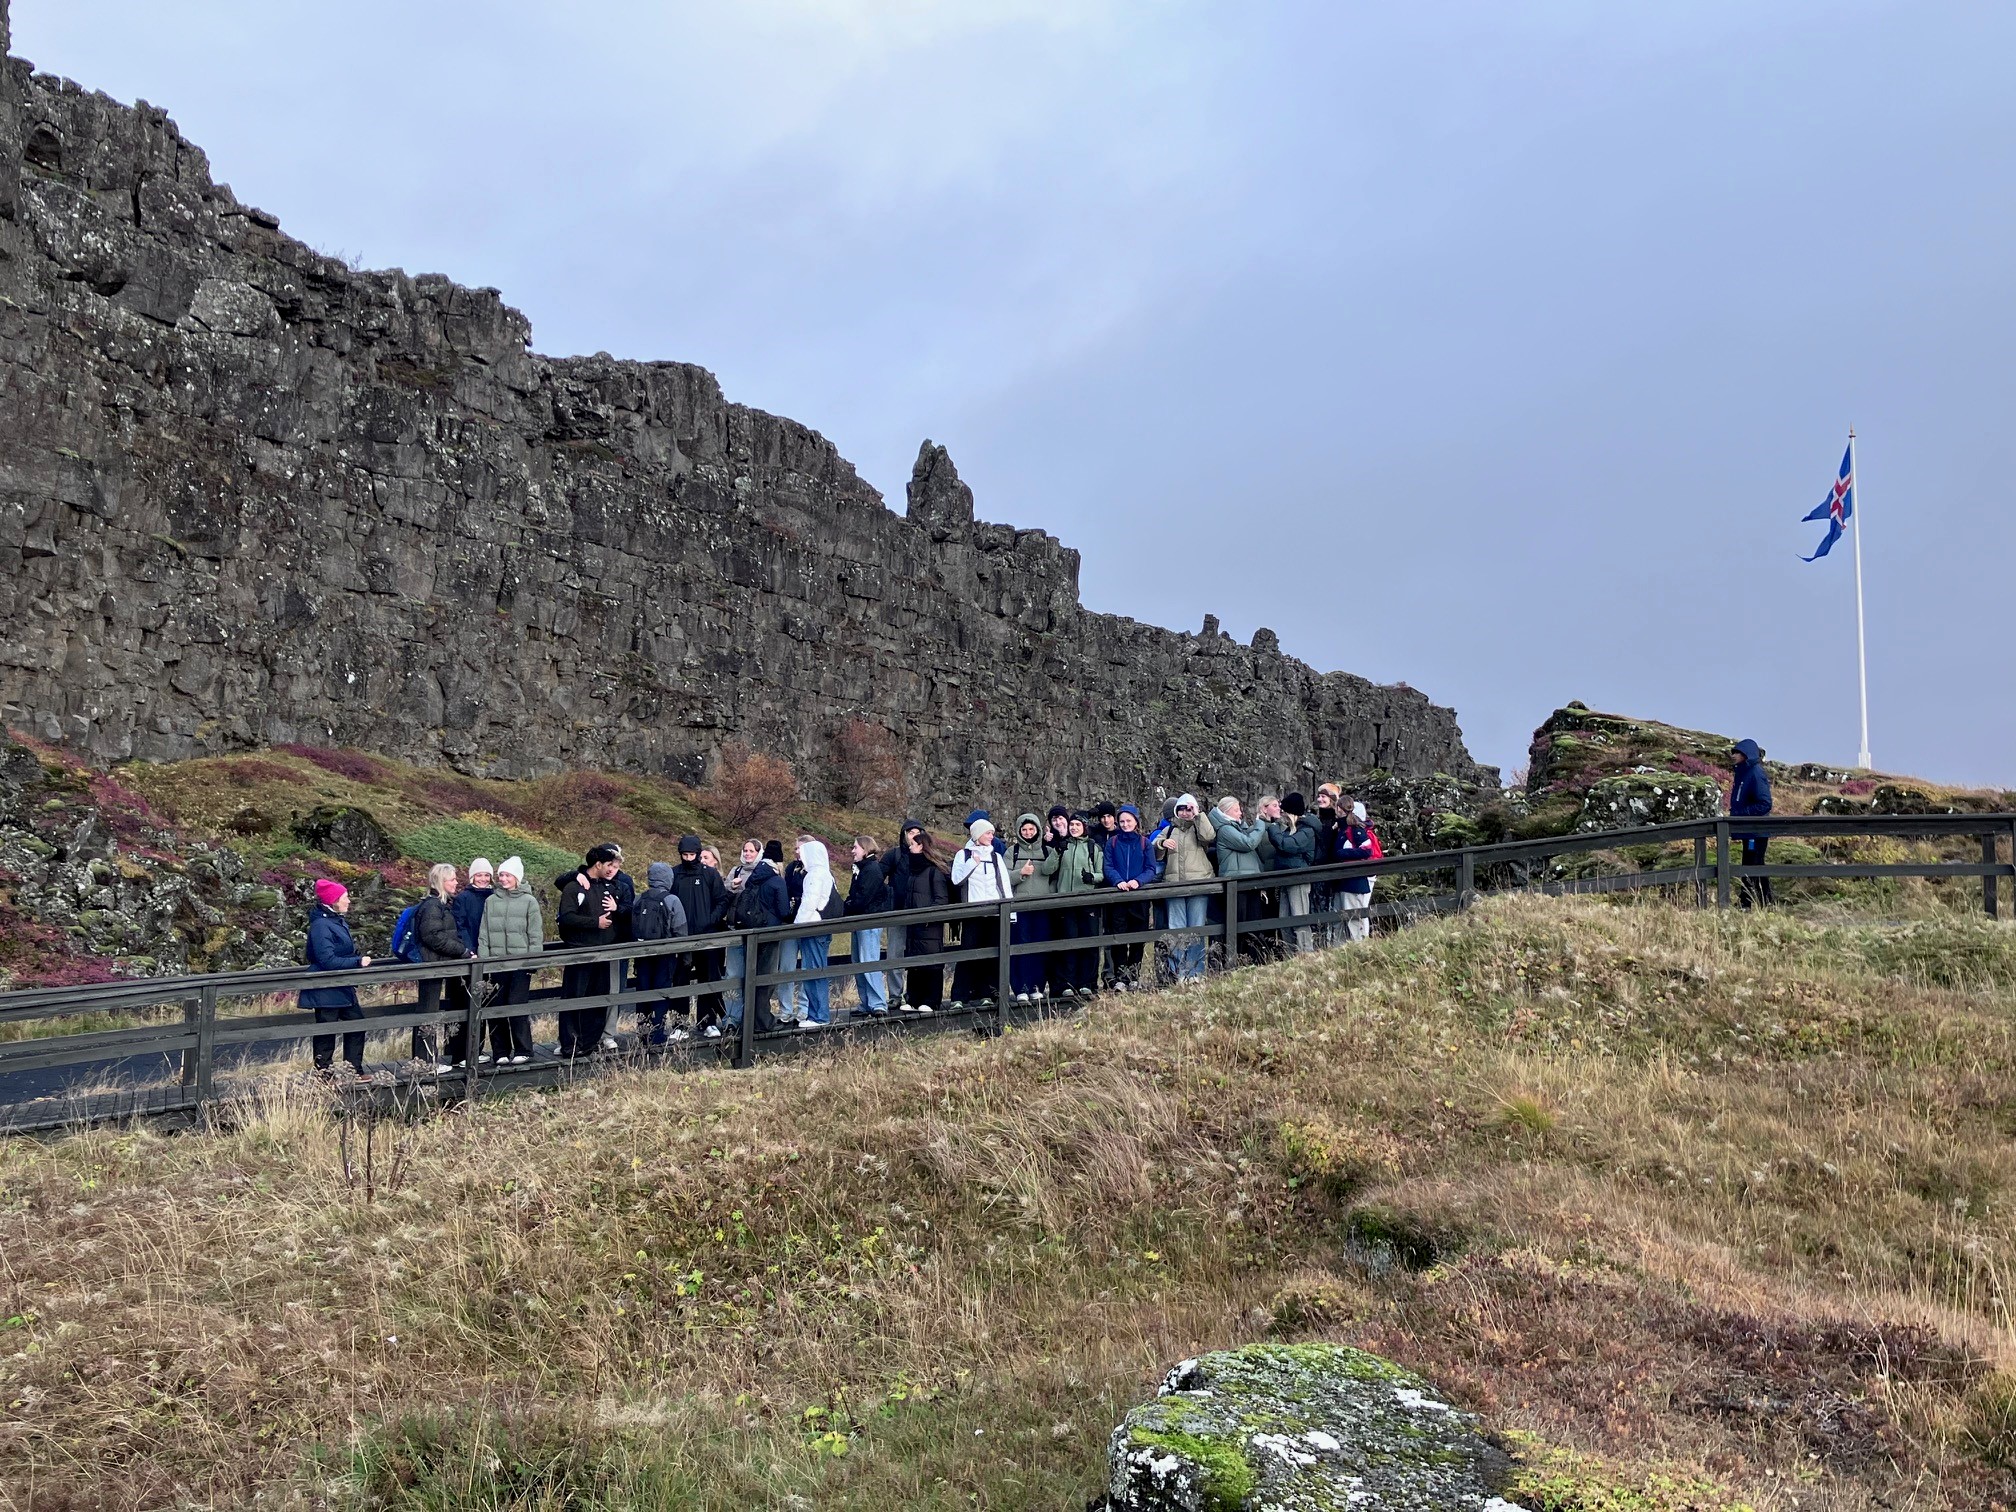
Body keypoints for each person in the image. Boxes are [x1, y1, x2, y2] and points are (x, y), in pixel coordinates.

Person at [556, 845, 624, 1057]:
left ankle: (590, 1043)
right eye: (609, 865)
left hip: (603, 953)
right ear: (598, 864)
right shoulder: (574, 887)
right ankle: (571, 1044)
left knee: (598, 999)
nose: (612, 869)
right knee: (574, 998)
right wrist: (595, 922)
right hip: (579, 952)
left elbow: (625, 912)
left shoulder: (609, 887)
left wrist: (617, 909)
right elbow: (566, 918)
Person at [303, 879, 372, 1080]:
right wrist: (357, 962)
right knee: (326, 1032)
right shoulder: (322, 925)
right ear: (333, 901)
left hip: (340, 986)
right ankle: (324, 1076)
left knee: (356, 1024)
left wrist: (354, 959)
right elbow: (327, 960)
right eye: (345, 897)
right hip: (326, 987)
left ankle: (353, 1071)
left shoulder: (333, 921)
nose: (349, 901)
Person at [476, 857, 541, 1063]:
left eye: (507, 875)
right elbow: (484, 934)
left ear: (517, 878)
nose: (503, 879)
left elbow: (535, 935)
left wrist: (533, 962)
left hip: (520, 963)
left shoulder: (529, 901)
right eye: (501, 875)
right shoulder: (491, 901)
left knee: (516, 1005)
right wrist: (484, 963)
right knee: (495, 1005)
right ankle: (500, 1052)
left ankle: (523, 1050)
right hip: (496, 963)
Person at [726, 841, 791, 1035]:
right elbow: (784, 911)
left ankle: (745, 1018)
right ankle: (762, 1022)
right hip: (769, 934)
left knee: (749, 977)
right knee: (766, 979)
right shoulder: (777, 881)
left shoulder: (753, 878)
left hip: (751, 931)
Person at [415, 863, 475, 1070]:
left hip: (443, 964)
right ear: (441, 882)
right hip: (433, 965)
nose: (456, 883)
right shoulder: (432, 906)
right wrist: (461, 951)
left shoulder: (442, 904)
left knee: (439, 1011)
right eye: (452, 879)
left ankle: (444, 1057)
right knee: (428, 1013)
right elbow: (433, 936)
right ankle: (426, 1061)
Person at [950, 818, 1016, 1006]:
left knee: (991, 955)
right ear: (978, 834)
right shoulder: (963, 855)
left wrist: (1009, 913)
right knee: (968, 955)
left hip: (994, 913)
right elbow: (956, 880)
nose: (991, 836)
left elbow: (1004, 885)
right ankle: (959, 996)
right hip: (973, 914)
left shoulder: (996, 857)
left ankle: (987, 993)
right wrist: (972, 863)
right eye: (988, 833)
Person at [668, 836, 729, 1032]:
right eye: (684, 855)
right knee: (680, 981)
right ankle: (679, 1026)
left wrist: (710, 920)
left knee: (709, 979)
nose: (688, 858)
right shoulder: (674, 874)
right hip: (682, 937)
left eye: (692, 855)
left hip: (708, 936)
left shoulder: (710, 874)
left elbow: (722, 901)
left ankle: (708, 1022)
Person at [1155, 794, 1216, 983]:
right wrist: (1161, 843)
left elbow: (1209, 836)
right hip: (1174, 885)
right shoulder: (1169, 829)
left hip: (1198, 883)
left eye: (1188, 809)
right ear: (1176, 811)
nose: (1185, 812)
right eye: (1182, 809)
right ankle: (1179, 972)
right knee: (1176, 929)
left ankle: (1196, 972)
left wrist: (1198, 815)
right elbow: (1154, 851)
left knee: (1196, 928)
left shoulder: (1199, 827)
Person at [633, 861, 692, 1044]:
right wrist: (686, 957)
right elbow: (681, 930)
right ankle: (657, 1035)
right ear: (668, 879)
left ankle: (643, 1032)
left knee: (643, 991)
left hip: (642, 954)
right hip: (665, 956)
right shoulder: (672, 900)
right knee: (661, 992)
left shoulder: (638, 898)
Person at [894, 822, 950, 1013]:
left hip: (929, 927)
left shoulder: (934, 871)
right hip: (914, 927)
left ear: (922, 847)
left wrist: (927, 918)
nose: (910, 846)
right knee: (914, 963)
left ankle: (931, 1000)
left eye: (914, 844)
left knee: (931, 963)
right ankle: (913, 998)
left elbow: (941, 900)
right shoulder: (913, 873)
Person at [1102, 803, 1158, 990]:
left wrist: (1138, 881)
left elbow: (1151, 869)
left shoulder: (1145, 843)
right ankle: (1120, 977)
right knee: (1118, 937)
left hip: (1139, 897)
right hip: (1118, 897)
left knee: (1137, 938)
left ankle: (1133, 975)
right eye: (1122, 821)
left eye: (1129, 820)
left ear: (1136, 821)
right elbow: (1108, 866)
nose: (1125, 824)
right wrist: (1118, 881)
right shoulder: (1112, 842)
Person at [1051, 813, 1105, 999]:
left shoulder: (1093, 847)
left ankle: (1087, 982)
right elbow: (1048, 870)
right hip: (1066, 901)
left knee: (1089, 943)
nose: (1073, 827)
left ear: (1084, 827)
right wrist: (1058, 851)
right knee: (1068, 942)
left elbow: (1101, 873)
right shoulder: (1062, 846)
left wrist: (1091, 878)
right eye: (1071, 824)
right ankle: (1067, 983)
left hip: (1087, 901)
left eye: (1077, 824)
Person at [1006, 812, 1059, 1002]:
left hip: (1042, 907)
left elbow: (1055, 878)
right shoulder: (1012, 852)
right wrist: (1021, 873)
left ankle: (1037, 986)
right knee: (1019, 947)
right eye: (1024, 829)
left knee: (1040, 947)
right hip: (1019, 907)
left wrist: (1049, 895)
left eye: (1031, 829)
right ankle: (1020, 988)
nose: (1028, 833)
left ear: (1037, 829)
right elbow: (1004, 878)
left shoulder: (1047, 852)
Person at [1210, 796, 1268, 962]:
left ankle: (1253, 958)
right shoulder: (1225, 830)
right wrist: (1260, 824)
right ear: (1226, 811)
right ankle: (1238, 959)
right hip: (1237, 882)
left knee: (1253, 922)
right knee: (1240, 922)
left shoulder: (1235, 827)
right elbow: (1248, 843)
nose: (1240, 813)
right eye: (1237, 810)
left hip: (1248, 881)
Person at [844, 836, 893, 1017]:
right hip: (860, 920)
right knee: (859, 961)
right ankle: (866, 1002)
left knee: (868, 961)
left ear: (865, 849)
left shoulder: (871, 870)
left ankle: (878, 1003)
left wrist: (847, 907)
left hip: (869, 921)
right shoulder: (861, 869)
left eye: (855, 847)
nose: (852, 850)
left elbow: (862, 898)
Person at [792, 838, 838, 1028]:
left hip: (812, 927)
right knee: (816, 970)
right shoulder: (826, 874)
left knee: (813, 971)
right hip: (821, 927)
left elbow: (809, 904)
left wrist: (797, 925)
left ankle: (818, 1016)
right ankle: (817, 1014)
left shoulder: (815, 875)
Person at [1268, 793, 1318, 954]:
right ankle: (1290, 955)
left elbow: (1286, 845)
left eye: (1284, 812)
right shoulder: (1291, 830)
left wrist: (1273, 827)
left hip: (1298, 880)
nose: (1281, 814)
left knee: (1299, 918)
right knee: (1285, 920)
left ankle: (1306, 953)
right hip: (1286, 879)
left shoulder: (1307, 831)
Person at [720, 839, 761, 1030]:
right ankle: (731, 1017)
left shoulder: (763, 872)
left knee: (754, 975)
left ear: (759, 853)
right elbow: (724, 894)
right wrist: (731, 887)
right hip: (734, 930)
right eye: (745, 850)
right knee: (733, 975)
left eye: (751, 851)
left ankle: (752, 1016)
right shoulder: (735, 871)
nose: (747, 854)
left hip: (754, 932)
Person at [1729, 738, 1774, 908]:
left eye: (1738, 752)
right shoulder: (1742, 773)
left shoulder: (1755, 773)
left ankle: (1747, 902)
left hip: (1756, 830)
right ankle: (1765, 901)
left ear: (1747, 754)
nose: (1734, 755)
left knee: (1752, 864)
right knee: (1754, 864)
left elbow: (1765, 803)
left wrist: (1741, 815)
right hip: (1749, 830)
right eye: (1733, 752)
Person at [770, 839, 804, 1025]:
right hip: (790, 924)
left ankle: (804, 1009)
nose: (795, 851)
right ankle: (785, 1010)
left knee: (808, 969)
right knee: (786, 968)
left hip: (808, 925)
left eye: (798, 848)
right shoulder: (791, 868)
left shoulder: (817, 870)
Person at [1335, 809, 1376, 941]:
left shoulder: (1354, 831)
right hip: (1347, 879)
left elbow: (1367, 850)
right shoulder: (1342, 830)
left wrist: (1343, 854)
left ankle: (1362, 944)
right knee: (1349, 915)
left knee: (1355, 916)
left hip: (1355, 879)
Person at [1311, 784, 1344, 945]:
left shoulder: (1336, 821)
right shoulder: (1317, 819)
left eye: (1323, 796)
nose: (1319, 799)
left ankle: (1328, 942)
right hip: (1317, 868)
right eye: (1319, 796)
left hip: (1329, 869)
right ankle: (1319, 941)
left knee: (1328, 907)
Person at [453, 858, 494, 955]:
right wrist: (469, 949)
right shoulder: (463, 898)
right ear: (473, 877)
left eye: (487, 875)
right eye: (479, 875)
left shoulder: (494, 897)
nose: (483, 879)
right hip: (472, 950)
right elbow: (459, 926)